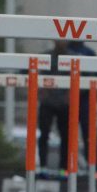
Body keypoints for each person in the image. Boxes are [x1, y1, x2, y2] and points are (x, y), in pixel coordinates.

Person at [66, 40, 97, 176]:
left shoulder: (89, 52)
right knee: (67, 133)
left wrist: (84, 88)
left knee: (89, 132)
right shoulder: (64, 51)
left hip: (86, 98)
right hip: (66, 98)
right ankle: (67, 166)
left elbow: (96, 74)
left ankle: (94, 167)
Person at [37, 40, 71, 175]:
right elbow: (37, 73)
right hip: (48, 102)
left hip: (64, 103)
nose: (61, 42)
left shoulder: (73, 57)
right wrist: (42, 92)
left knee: (66, 136)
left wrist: (69, 96)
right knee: (44, 134)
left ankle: (64, 168)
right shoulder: (46, 56)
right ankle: (43, 167)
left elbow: (80, 77)